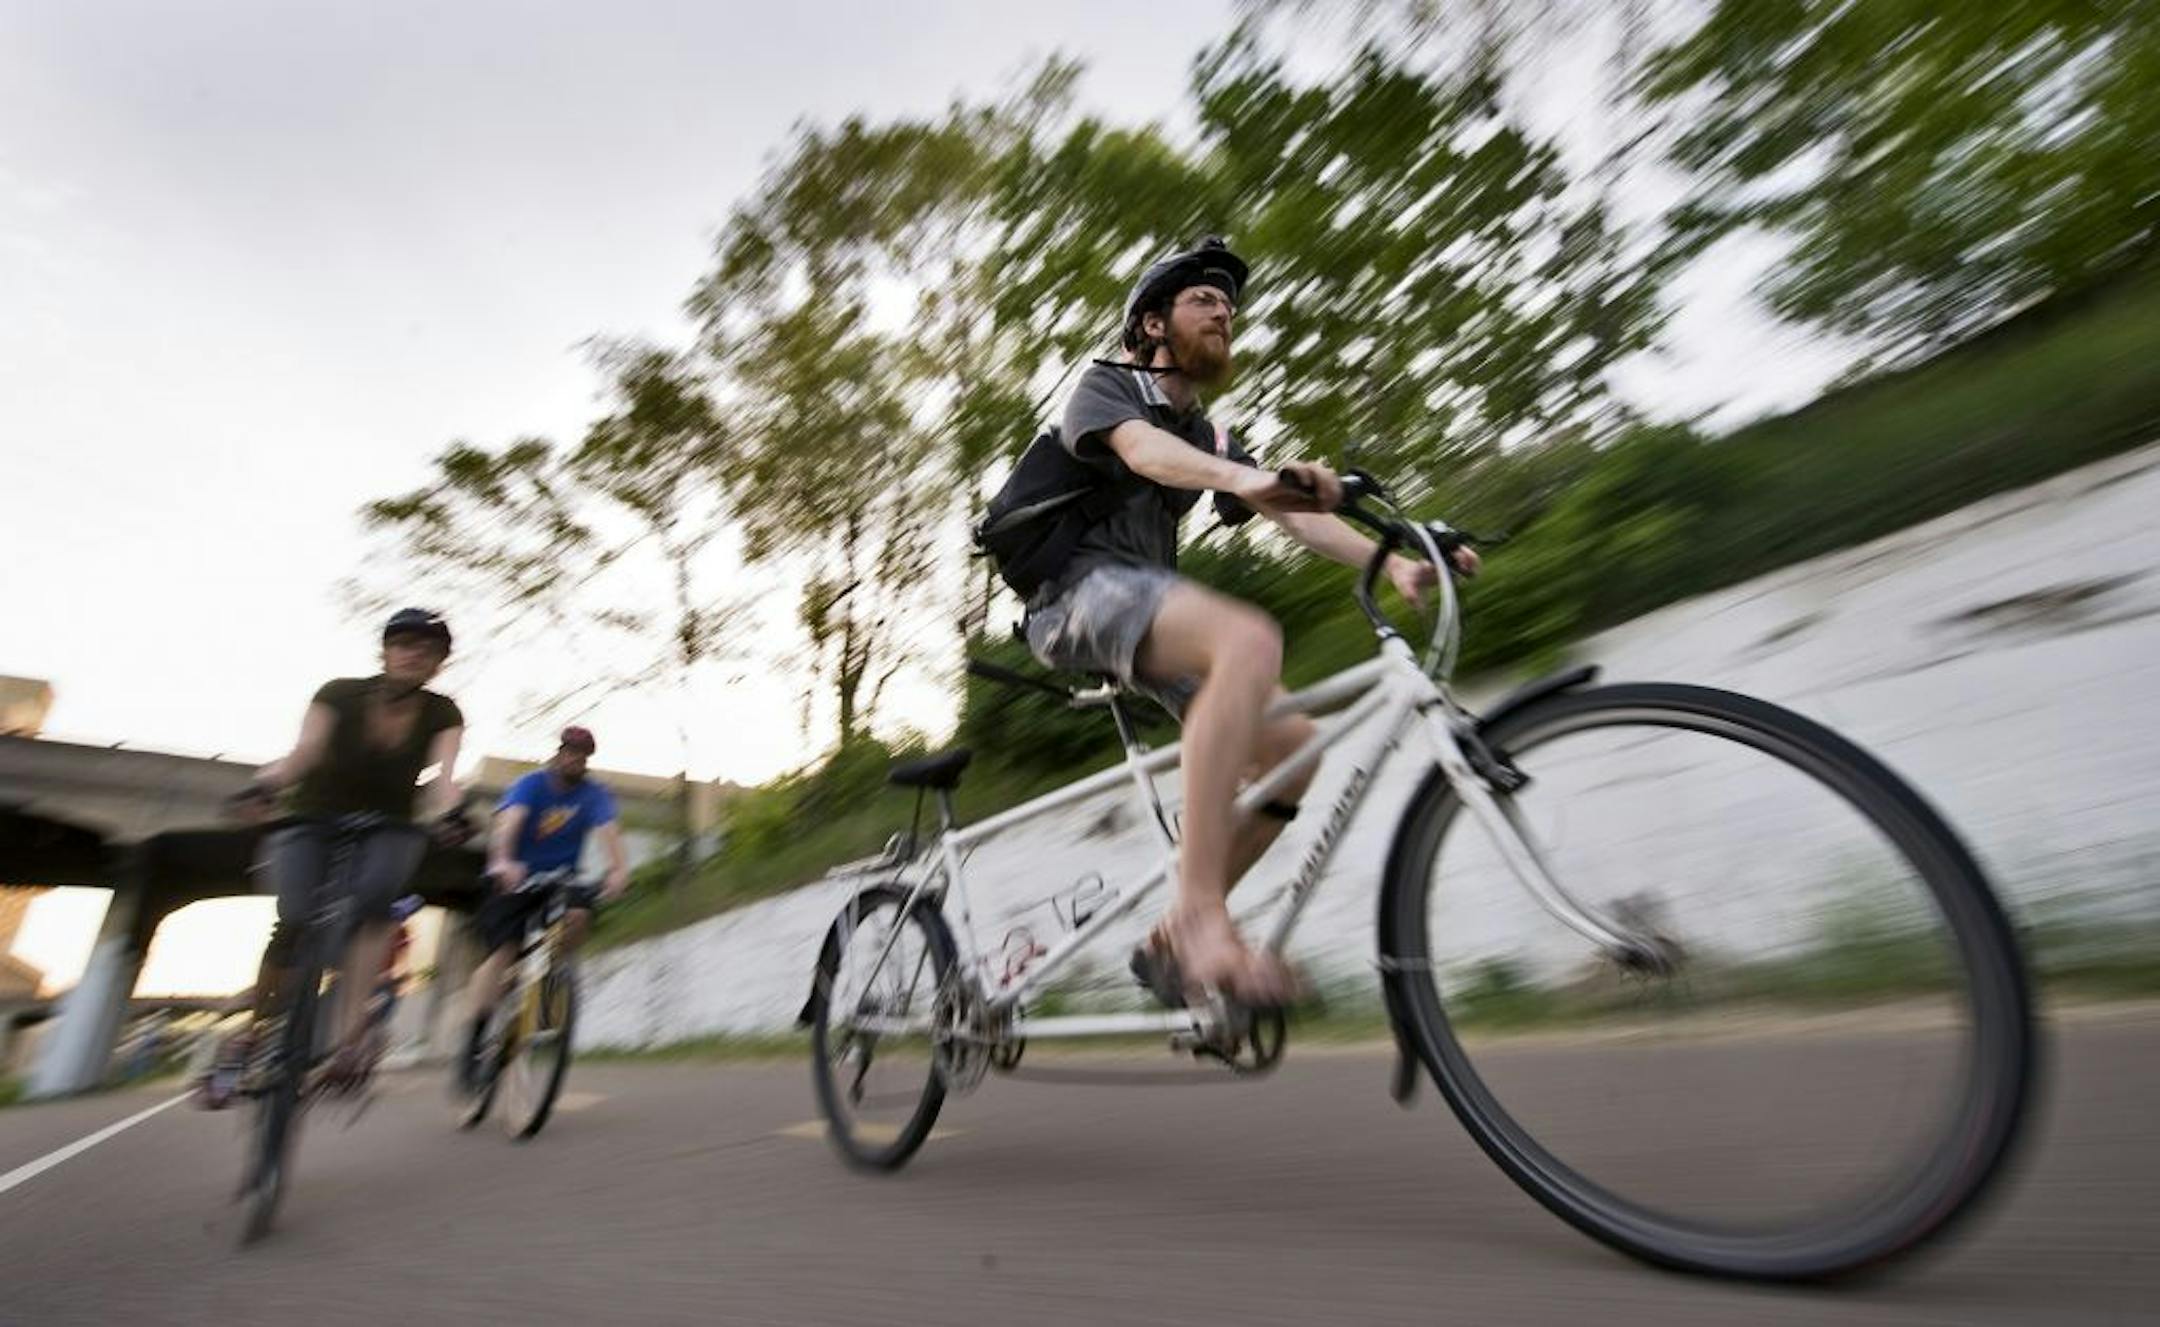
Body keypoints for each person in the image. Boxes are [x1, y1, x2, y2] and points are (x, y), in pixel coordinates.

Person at [1021, 237, 1478, 1004]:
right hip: (1073, 595)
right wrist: (1248, 476)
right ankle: (1203, 915)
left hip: (1144, 601)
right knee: (1248, 637)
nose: (1224, 312)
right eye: (1203, 300)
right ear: (1151, 326)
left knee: (1295, 748)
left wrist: (1390, 559)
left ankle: (1170, 936)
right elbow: (1145, 455)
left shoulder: (1209, 434)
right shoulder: (1108, 388)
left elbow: (1286, 511)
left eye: (1230, 306)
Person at [196, 609, 468, 1108]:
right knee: (295, 918)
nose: (413, 654)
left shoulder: (442, 712)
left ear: (438, 665)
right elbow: (306, 751)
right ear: (385, 650)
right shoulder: (339, 692)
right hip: (312, 815)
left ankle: (347, 1044)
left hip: (391, 823)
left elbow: (446, 779)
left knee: (375, 904)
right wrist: (265, 786)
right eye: (403, 643)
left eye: (427, 650)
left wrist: (454, 812)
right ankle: (254, 1034)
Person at [455, 725, 629, 1091]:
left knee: (579, 914)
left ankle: (549, 978)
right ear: (558, 752)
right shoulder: (531, 785)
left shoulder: (594, 794)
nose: (574, 759)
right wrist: (504, 860)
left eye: (582, 755)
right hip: (513, 877)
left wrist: (618, 869)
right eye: (569, 752)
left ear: (587, 760)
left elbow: (608, 831)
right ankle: (473, 1043)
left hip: (560, 880)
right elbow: (509, 823)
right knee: (503, 953)